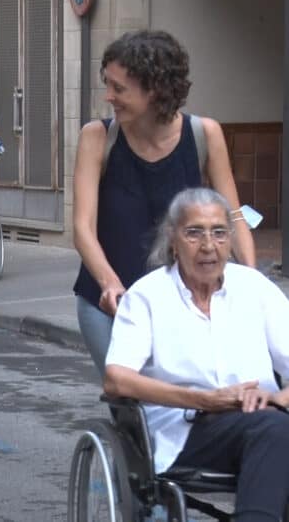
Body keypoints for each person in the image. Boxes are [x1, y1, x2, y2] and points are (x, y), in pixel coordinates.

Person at [72, 30, 255, 375]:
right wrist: (110, 283)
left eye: (119, 88)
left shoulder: (204, 134)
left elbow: (233, 217)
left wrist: (250, 281)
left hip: (182, 305)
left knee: (189, 407)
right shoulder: (97, 137)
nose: (109, 96)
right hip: (111, 303)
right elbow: (83, 228)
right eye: (107, 84)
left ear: (154, 89)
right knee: (133, 407)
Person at [105, 187, 289, 522]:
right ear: (172, 240)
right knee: (274, 430)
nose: (208, 246)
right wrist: (204, 400)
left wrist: (278, 397)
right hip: (185, 433)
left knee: (273, 427)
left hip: (262, 422)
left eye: (219, 233)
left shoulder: (255, 288)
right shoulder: (147, 296)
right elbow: (116, 378)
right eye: (194, 233)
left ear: (230, 239)